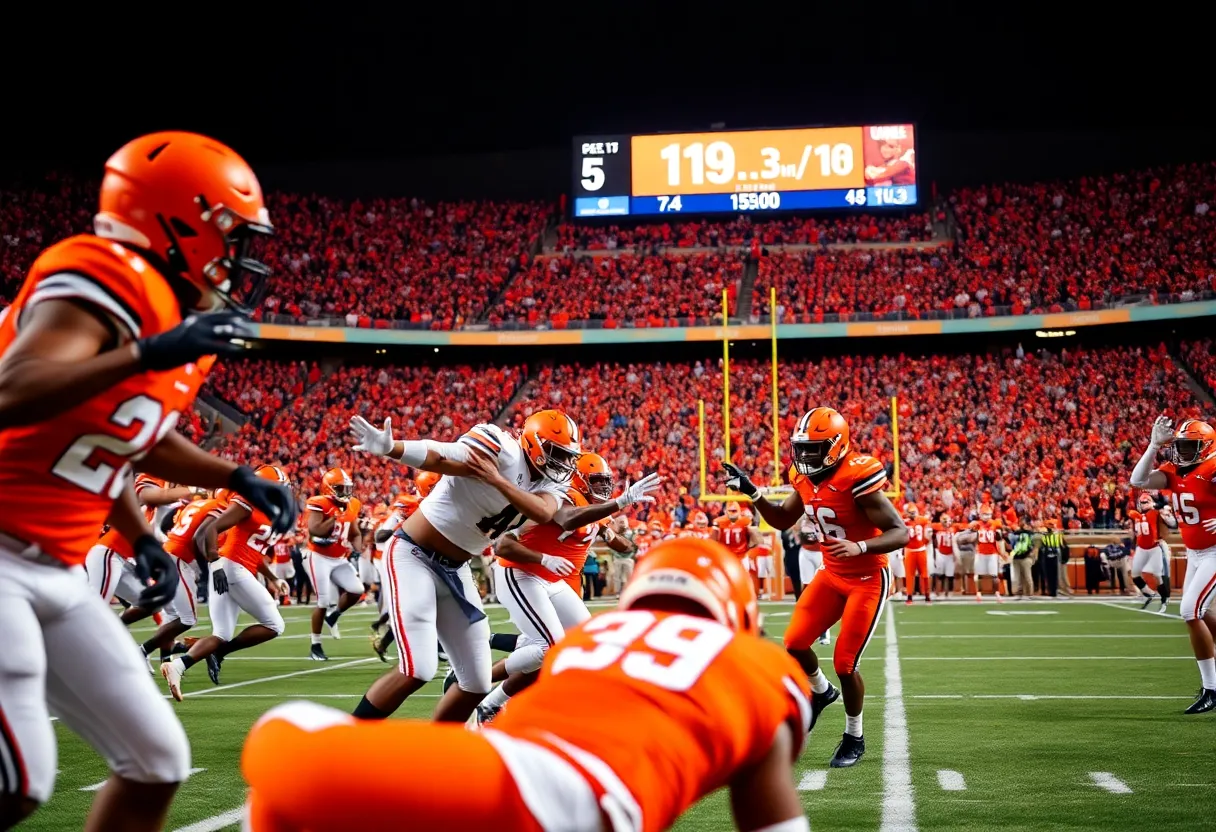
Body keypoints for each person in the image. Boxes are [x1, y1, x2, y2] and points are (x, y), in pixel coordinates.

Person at [0, 131, 296, 831]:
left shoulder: (170, 316)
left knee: (155, 759)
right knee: (19, 776)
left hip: (59, 564)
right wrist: (145, 351)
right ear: (180, 220)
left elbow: (130, 435)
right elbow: (16, 389)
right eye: (230, 234)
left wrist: (223, 482)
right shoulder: (103, 271)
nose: (237, 259)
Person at [241, 537, 812, 832]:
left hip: (528, 782)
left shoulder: (596, 638)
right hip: (581, 801)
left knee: (281, 737)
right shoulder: (760, 667)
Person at [346, 410, 662, 722]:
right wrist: (393, 448)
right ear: (533, 443)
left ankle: (438, 749)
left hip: (457, 568)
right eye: (557, 454)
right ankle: (348, 739)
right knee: (420, 668)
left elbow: (543, 512)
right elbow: (442, 456)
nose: (564, 464)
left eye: (569, 457)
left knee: (476, 683)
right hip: (414, 554)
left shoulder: (551, 487)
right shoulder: (502, 447)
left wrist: (496, 481)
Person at [725, 406, 908, 767]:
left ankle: (854, 736)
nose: (804, 456)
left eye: (814, 448)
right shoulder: (804, 477)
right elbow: (781, 519)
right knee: (794, 642)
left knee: (845, 662)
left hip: (868, 577)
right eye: (802, 447)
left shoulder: (858, 475)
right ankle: (822, 693)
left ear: (837, 446)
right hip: (832, 572)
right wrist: (752, 492)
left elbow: (900, 531)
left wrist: (860, 546)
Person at [478, 452, 637, 723]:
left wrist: (609, 532)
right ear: (582, 480)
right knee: (547, 648)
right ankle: (474, 677)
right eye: (597, 482)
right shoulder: (559, 498)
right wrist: (544, 558)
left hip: (553, 581)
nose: (603, 488)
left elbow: (624, 545)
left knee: (583, 643)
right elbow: (505, 544)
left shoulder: (591, 508)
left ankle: (494, 702)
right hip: (520, 573)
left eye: (605, 482)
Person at [161, 465, 295, 697]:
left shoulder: (270, 511)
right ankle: (215, 651)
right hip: (231, 569)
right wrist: (215, 563)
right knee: (275, 625)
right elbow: (211, 529)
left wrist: (273, 578)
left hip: (233, 569)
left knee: (221, 633)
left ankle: (177, 666)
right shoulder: (248, 503)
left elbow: (254, 551)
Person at [1131, 415, 1216, 713]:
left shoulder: (1213, 467)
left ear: (1205, 447)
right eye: (1180, 446)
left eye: (1190, 446)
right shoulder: (1173, 471)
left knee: (1190, 610)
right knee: (1200, 611)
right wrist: (1154, 445)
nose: (1182, 452)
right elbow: (1138, 480)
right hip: (1196, 553)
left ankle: (1212, 689)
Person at [305, 468, 365, 660]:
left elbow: (354, 532)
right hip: (319, 556)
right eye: (340, 489)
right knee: (322, 601)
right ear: (328, 489)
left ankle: (335, 615)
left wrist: (357, 547)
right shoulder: (320, 503)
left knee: (356, 590)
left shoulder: (353, 504)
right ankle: (315, 645)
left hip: (339, 558)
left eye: (347, 488)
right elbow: (315, 530)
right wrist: (334, 517)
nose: (345, 493)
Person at [1129, 492, 1174, 611]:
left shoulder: (1155, 513)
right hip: (1142, 548)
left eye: (1145, 502)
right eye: (1142, 502)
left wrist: (1158, 505)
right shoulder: (1136, 515)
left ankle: (1164, 601)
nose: (1143, 505)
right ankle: (1150, 594)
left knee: (1158, 576)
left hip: (1154, 546)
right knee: (1135, 575)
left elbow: (1164, 508)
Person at [901, 503, 934, 605]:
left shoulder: (922, 520)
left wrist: (926, 541)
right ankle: (909, 595)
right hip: (909, 550)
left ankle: (927, 594)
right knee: (909, 575)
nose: (913, 515)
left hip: (920, 549)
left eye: (914, 512)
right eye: (911, 513)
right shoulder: (904, 521)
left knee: (924, 574)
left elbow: (929, 530)